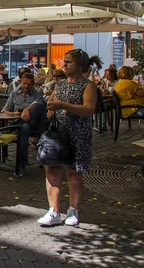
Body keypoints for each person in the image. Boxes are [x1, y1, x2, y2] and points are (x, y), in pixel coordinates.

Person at [39, 49, 100, 227]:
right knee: (52, 169)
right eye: (63, 62)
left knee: (74, 174)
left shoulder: (88, 86)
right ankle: (53, 210)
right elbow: (53, 102)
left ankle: (73, 210)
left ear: (80, 65)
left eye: (68, 62)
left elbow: (89, 110)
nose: (64, 65)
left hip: (78, 133)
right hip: (58, 132)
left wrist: (63, 105)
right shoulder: (61, 84)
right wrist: (51, 108)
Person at [2, 73, 47, 175]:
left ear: (33, 84)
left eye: (29, 84)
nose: (26, 86)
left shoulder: (38, 94)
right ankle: (22, 164)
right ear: (21, 82)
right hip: (22, 123)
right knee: (25, 127)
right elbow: (4, 110)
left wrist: (27, 110)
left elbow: (37, 106)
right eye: (24, 83)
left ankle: (14, 129)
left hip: (35, 123)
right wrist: (14, 113)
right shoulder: (14, 94)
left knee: (39, 106)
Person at [115, 66, 144, 138]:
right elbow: (142, 94)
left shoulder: (119, 84)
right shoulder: (130, 83)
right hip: (134, 110)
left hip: (125, 109)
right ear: (130, 73)